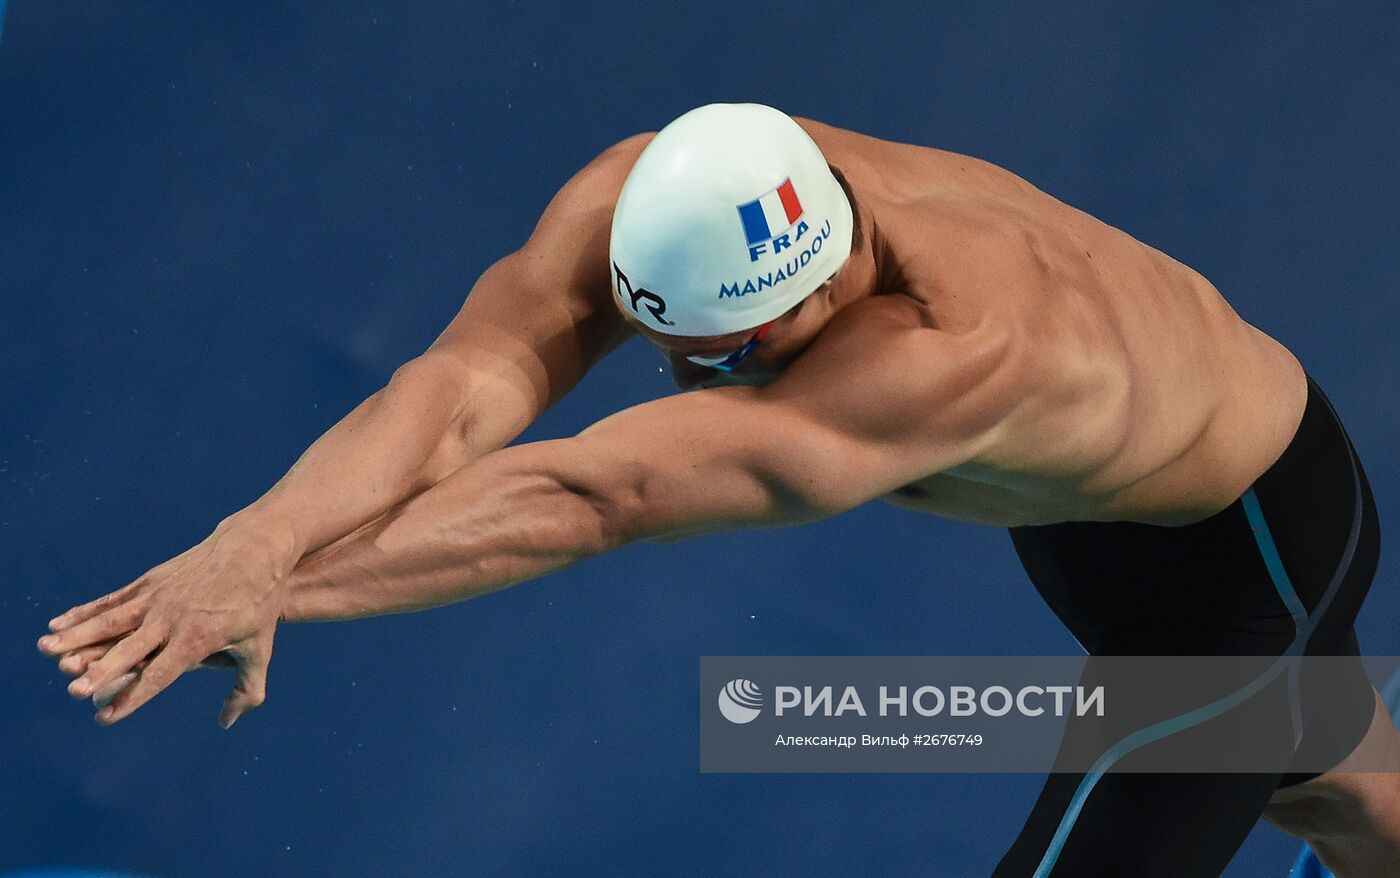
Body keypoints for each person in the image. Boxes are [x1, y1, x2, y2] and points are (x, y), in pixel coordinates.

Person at [35, 103, 1399, 875]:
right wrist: (256, 535)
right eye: (666, 343)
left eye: (732, 359)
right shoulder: (662, 183)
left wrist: (277, 585)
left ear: (828, 281)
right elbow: (454, 391)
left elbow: (588, 495)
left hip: (1245, 565)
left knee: (1213, 751)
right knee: (1328, 780)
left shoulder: (950, 354)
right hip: (1092, 523)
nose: (698, 381)